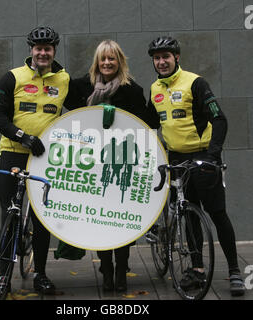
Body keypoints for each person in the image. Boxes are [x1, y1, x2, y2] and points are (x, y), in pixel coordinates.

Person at [144, 36, 245, 296]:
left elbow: (220, 119)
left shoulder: (195, 83)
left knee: (217, 213)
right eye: (157, 58)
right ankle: (197, 269)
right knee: (188, 215)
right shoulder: (155, 88)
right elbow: (147, 121)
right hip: (177, 159)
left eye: (166, 56)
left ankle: (235, 270)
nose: (161, 61)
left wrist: (213, 155)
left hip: (203, 158)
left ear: (176, 57)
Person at [0, 26, 71, 294]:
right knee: (10, 213)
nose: (43, 53)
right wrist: (22, 136)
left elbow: (87, 100)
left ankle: (41, 275)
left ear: (54, 50)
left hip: (44, 158)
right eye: (38, 48)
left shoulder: (64, 79)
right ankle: (3, 276)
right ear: (31, 50)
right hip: (13, 154)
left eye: (47, 48)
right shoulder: (12, 78)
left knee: (41, 218)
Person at [64, 39, 152, 292]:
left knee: (119, 219)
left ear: (120, 61)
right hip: (92, 163)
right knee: (99, 220)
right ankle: (106, 270)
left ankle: (122, 268)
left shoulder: (133, 90)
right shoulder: (82, 87)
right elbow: (69, 115)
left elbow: (144, 124)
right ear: (97, 62)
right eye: (103, 58)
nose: (107, 63)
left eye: (112, 58)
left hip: (122, 163)